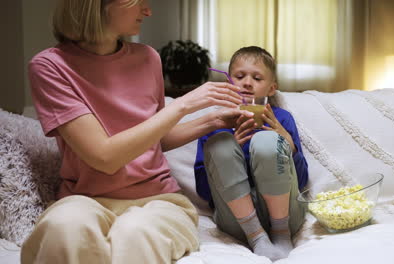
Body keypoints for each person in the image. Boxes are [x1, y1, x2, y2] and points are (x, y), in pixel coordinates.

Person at [21, 0, 253, 263]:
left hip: (159, 201)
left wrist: (214, 120)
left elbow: (151, 140)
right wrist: (185, 104)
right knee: (63, 228)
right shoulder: (50, 66)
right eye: (139, 1)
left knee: (135, 233)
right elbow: (105, 157)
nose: (148, 10)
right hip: (85, 200)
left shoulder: (148, 58)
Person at [194, 46, 309, 261]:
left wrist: (288, 143)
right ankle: (257, 237)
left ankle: (280, 234)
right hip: (236, 221)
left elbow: (301, 181)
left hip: (287, 216)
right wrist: (230, 152)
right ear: (229, 82)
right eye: (239, 76)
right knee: (220, 143)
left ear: (272, 88)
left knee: (267, 140)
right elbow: (204, 190)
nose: (247, 82)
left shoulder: (282, 119)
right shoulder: (216, 124)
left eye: (257, 78)